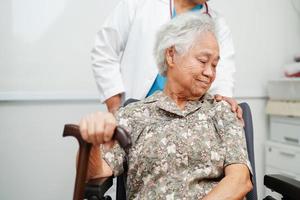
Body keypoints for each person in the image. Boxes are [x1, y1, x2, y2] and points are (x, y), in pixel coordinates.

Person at [81, 13, 252, 199]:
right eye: (203, 61)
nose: (210, 73)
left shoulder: (222, 111)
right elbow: (95, 173)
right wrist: (90, 142)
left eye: (215, 65)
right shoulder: (132, 116)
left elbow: (240, 181)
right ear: (171, 55)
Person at [92, 0, 240, 117]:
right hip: (135, 110)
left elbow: (223, 75)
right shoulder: (138, 4)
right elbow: (104, 50)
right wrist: (115, 108)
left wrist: (224, 103)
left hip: (188, 118)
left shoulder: (218, 24)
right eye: (202, 61)